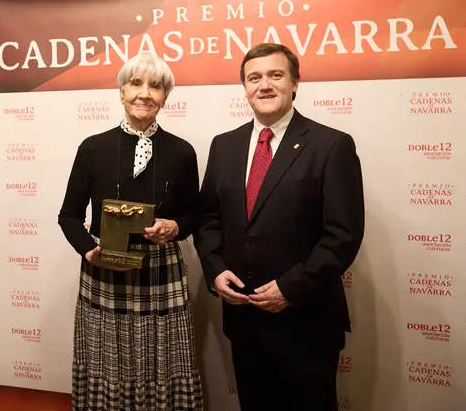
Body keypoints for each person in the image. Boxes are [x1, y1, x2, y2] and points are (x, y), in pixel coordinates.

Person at [193, 43, 365, 411]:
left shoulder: (331, 145)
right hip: (244, 321)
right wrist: (216, 269)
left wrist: (290, 288)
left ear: (295, 83)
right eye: (254, 78)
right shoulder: (224, 146)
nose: (264, 85)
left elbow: (343, 235)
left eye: (275, 75)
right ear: (244, 88)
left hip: (306, 322)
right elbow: (209, 219)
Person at [58, 52, 204, 410]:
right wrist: (88, 249)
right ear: (121, 92)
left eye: (155, 86)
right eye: (136, 83)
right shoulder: (92, 148)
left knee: (163, 362)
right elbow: (69, 216)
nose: (145, 93)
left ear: (165, 97)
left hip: (160, 269)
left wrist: (176, 226)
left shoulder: (183, 152)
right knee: (108, 363)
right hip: (104, 265)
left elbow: (196, 216)